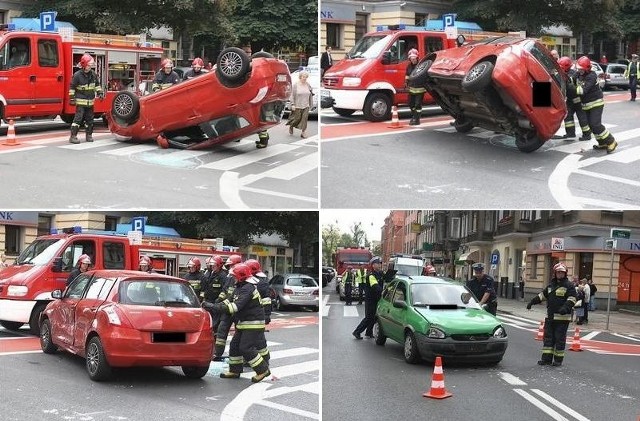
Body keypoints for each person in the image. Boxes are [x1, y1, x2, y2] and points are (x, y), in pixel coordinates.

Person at [202, 263, 270, 383]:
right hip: (244, 323)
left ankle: (262, 369)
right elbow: (228, 301)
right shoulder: (239, 287)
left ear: (241, 277)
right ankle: (235, 370)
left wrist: (212, 306)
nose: (232, 279)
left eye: (234, 276)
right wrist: (214, 305)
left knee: (246, 348)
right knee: (234, 346)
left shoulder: (247, 288)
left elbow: (234, 307)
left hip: (253, 323)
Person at [526, 262, 577, 366]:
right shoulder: (551, 286)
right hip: (550, 317)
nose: (560, 274)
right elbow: (542, 296)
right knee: (548, 339)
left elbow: (572, 299)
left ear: (565, 274)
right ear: (555, 273)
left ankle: (558, 360)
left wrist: (565, 308)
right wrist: (532, 302)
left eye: (562, 273)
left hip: (562, 318)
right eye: (558, 272)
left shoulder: (569, 286)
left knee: (559, 339)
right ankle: (546, 359)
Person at [576, 55, 617, 153]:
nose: (579, 71)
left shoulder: (591, 76)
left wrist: (571, 87)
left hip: (595, 104)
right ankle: (602, 142)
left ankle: (611, 141)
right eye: (578, 69)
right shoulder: (580, 74)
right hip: (586, 105)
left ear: (586, 68)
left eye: (581, 69)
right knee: (591, 125)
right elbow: (572, 77)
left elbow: (582, 91)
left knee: (596, 124)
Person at [212, 254, 243, 360]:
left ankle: (243, 355)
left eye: (231, 266)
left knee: (240, 334)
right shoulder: (230, 277)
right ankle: (218, 353)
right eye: (229, 266)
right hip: (227, 309)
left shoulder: (244, 278)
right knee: (221, 330)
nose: (230, 268)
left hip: (238, 310)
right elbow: (225, 291)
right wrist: (219, 301)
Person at [68, 54, 104, 144]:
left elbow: (97, 85)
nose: (90, 67)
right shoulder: (77, 75)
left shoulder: (93, 75)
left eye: (90, 65)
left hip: (90, 102)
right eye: (88, 65)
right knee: (78, 119)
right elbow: (72, 87)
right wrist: (72, 98)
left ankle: (89, 135)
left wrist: (100, 93)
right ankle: (73, 136)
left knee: (90, 119)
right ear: (84, 65)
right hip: (81, 102)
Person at [241, 44, 270, 149]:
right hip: (253, 96)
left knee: (258, 119)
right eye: (246, 52)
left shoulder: (254, 65)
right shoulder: (247, 64)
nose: (247, 54)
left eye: (248, 52)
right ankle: (263, 138)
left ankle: (263, 140)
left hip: (257, 96)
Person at [557, 57, 591, 141]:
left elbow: (572, 86)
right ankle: (570, 133)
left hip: (578, 99)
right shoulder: (560, 74)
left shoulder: (573, 74)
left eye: (561, 67)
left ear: (566, 66)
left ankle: (587, 134)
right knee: (568, 116)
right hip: (569, 99)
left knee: (582, 117)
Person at [245, 258, 271, 364]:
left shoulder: (260, 282)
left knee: (258, 340)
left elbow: (266, 300)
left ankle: (264, 359)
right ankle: (260, 358)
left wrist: (266, 315)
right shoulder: (255, 280)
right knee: (256, 339)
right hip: (252, 314)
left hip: (257, 314)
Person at [352, 256, 384, 339]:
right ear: (373, 265)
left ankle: (368, 332)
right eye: (377, 263)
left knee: (373, 317)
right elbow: (375, 286)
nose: (380, 265)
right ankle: (357, 332)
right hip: (370, 300)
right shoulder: (371, 275)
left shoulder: (380, 274)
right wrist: (383, 291)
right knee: (368, 317)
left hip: (376, 299)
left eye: (380, 263)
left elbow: (386, 279)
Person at [286, 70, 313, 138]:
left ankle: (303, 132)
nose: (305, 78)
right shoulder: (296, 85)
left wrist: (310, 104)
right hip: (297, 105)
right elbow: (292, 95)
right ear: (300, 77)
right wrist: (292, 104)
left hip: (306, 105)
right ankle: (291, 126)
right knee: (296, 119)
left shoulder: (308, 84)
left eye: (306, 77)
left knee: (304, 119)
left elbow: (310, 94)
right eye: (303, 77)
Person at [405, 48, 426, 125]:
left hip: (420, 89)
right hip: (412, 89)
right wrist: (406, 82)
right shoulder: (409, 66)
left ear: (417, 57)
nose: (413, 59)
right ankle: (414, 116)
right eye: (411, 58)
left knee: (417, 105)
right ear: (409, 58)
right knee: (410, 104)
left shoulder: (420, 65)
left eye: (414, 58)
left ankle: (417, 120)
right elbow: (407, 75)